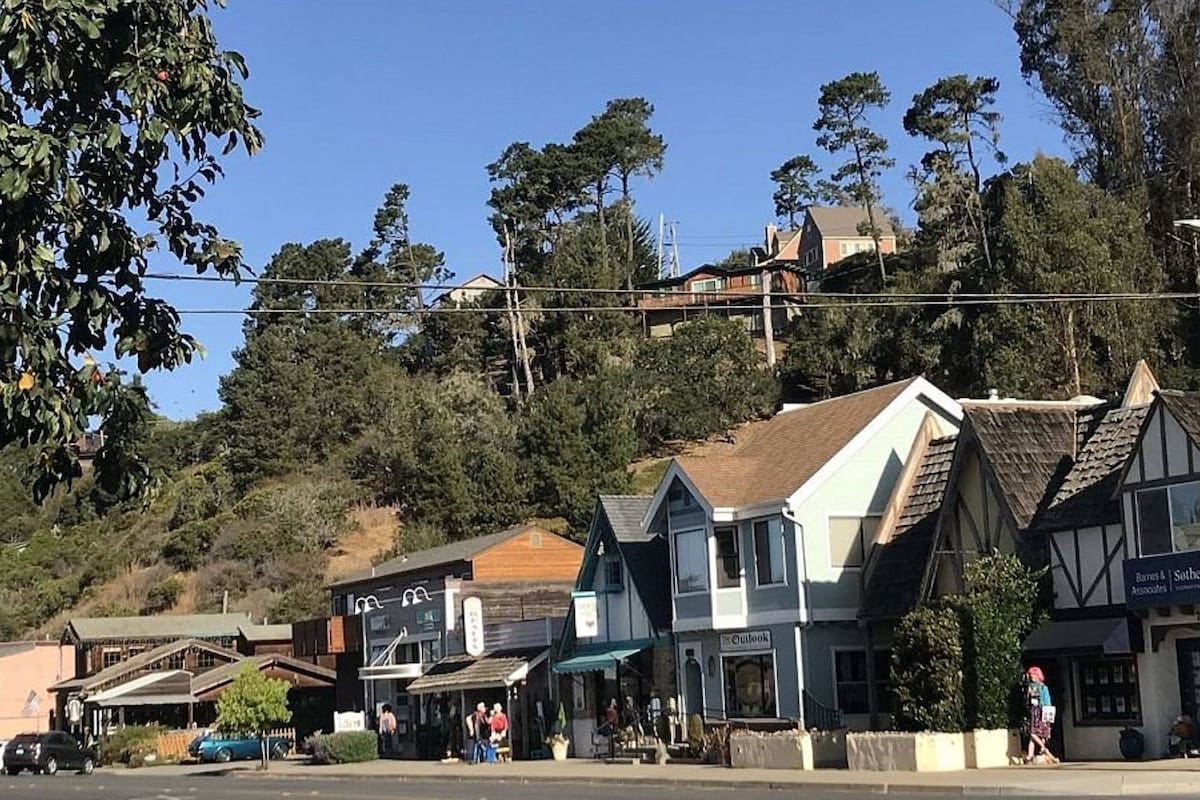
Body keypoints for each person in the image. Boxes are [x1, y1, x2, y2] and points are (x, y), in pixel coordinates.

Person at [1024, 666, 1058, 764]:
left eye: (1033, 675)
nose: (1031, 677)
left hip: (1042, 711)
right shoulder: (1030, 686)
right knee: (1033, 734)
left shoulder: (1043, 687)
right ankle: (1031, 755)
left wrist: (1047, 711)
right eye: (1030, 675)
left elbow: (1047, 701)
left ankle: (1043, 749)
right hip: (1034, 711)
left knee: (1036, 733)